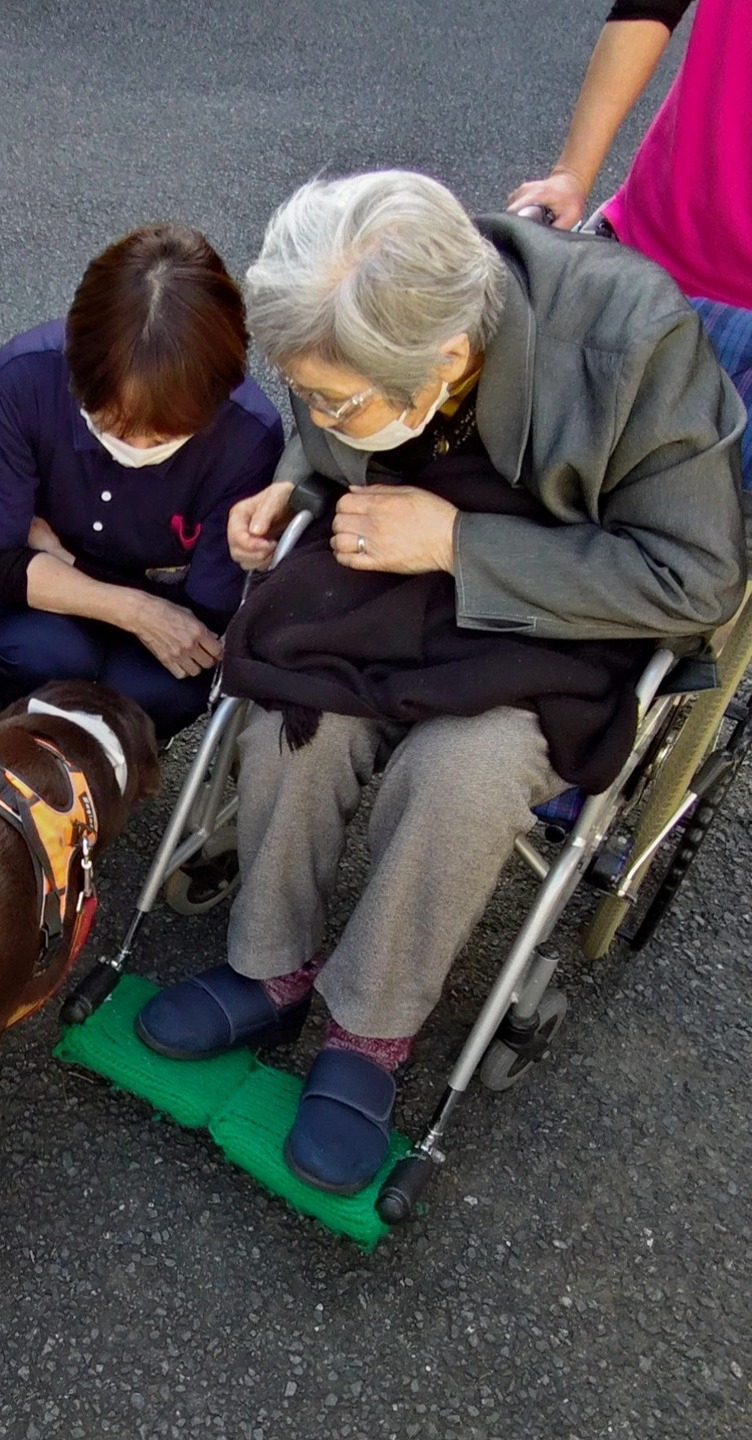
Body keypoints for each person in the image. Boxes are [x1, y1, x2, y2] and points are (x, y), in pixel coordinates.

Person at [136, 172, 746, 1196]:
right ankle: (269, 966)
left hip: (557, 616)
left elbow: (696, 578)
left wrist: (460, 541)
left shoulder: (629, 340)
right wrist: (295, 473)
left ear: (449, 360)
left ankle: (368, 1031)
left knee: (459, 772)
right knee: (298, 705)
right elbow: (334, 415)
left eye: (334, 398)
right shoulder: (374, 308)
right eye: (307, 390)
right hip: (391, 573)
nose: (317, 408)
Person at [0, 225, 284, 742]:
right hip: (62, 608)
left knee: (158, 690)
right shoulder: (22, 378)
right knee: (42, 656)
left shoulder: (247, 436)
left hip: (80, 583)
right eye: (113, 419)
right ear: (76, 368)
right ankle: (5, 727)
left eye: (166, 432)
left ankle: (118, 762)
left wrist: (56, 556)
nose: (138, 443)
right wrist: (136, 606)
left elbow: (208, 610)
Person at [507, 0, 752, 488]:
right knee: (540, 470)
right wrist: (571, 174)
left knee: (699, 531)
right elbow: (650, 7)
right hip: (650, 243)